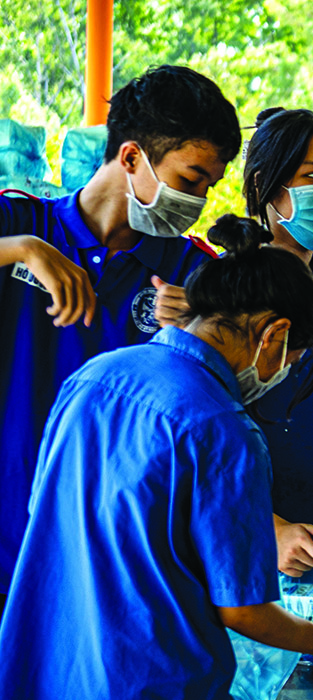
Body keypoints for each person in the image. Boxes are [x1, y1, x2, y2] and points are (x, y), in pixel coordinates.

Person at [0, 215, 313, 700]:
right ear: (273, 335)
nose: (280, 373)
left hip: (43, 676)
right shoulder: (224, 428)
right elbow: (242, 609)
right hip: (143, 697)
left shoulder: (95, 377)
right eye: (292, 359)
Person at [0, 65, 240, 610]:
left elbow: (220, 416)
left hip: (110, 555)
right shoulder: (18, 220)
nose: (199, 200)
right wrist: (23, 250)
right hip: (7, 521)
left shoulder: (195, 271)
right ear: (131, 157)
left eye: (209, 185)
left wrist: (194, 344)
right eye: (189, 179)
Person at [159, 107, 313, 577]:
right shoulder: (204, 296)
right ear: (266, 185)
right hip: (213, 551)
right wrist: (266, 527)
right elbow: (180, 456)